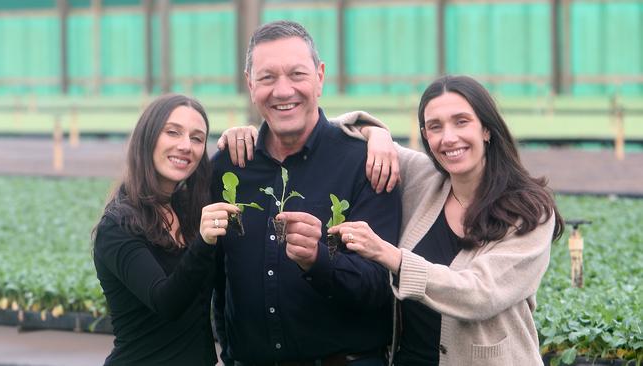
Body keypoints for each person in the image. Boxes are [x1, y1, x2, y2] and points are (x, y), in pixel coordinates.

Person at [221, 75, 564, 365]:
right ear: (425, 136)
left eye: (462, 122)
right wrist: (378, 134)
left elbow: (479, 293)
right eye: (435, 127)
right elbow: (327, 129)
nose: (449, 138)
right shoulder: (424, 179)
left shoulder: (530, 211)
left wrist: (392, 258)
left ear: (487, 129)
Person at [211, 20, 402, 366]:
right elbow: (215, 275)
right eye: (267, 78)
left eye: (297, 74)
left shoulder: (367, 163)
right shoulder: (230, 164)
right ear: (250, 84)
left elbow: (381, 285)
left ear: (320, 77)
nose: (283, 91)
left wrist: (319, 260)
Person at [92, 94, 238, 365]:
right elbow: (166, 302)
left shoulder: (189, 210)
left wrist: (243, 135)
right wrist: (203, 243)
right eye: (173, 132)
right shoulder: (117, 225)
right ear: (147, 138)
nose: (186, 146)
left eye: (197, 138)